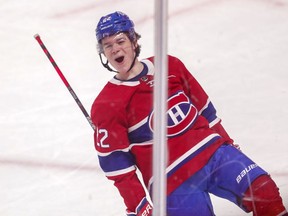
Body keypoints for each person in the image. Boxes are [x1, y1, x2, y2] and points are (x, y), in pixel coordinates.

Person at [91, 11, 287, 216]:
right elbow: (116, 166)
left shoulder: (169, 65)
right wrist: (138, 205)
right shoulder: (106, 104)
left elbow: (206, 111)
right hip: (170, 181)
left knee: (264, 191)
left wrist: (227, 142)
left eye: (120, 41)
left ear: (133, 40)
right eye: (108, 45)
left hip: (214, 153)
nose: (115, 49)